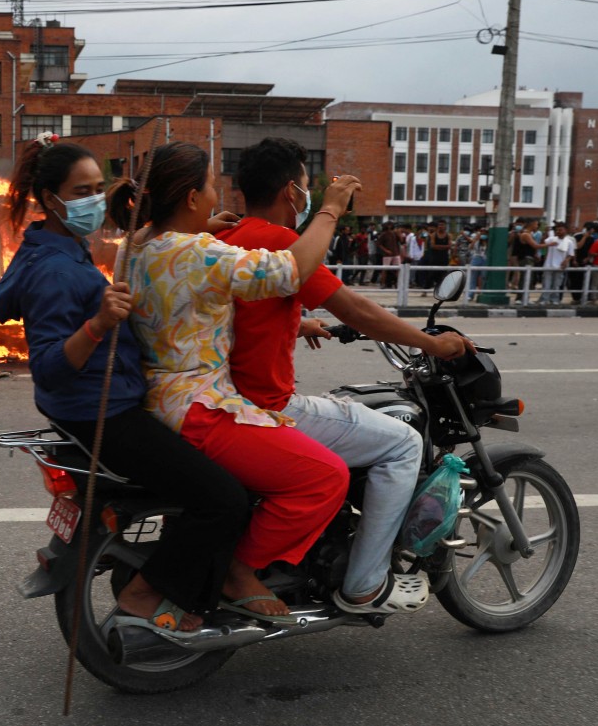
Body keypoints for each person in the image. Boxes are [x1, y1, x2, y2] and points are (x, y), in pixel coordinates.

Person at [0, 134, 250, 633]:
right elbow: (47, 364)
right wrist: (98, 324)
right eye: (80, 191)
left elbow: (5, 301)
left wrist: (196, 227)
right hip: (107, 414)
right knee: (225, 499)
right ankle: (147, 594)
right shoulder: (57, 270)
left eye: (96, 188)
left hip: (79, 410)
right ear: (50, 198)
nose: (93, 200)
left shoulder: (43, 245)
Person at [219, 137, 474, 615]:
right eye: (307, 187)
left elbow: (239, 316)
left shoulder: (224, 239)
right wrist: (435, 343)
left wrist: (299, 323)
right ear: (293, 192)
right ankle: (364, 583)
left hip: (224, 400)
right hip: (266, 406)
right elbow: (355, 307)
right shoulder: (283, 243)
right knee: (402, 443)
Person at [110, 141, 351, 623]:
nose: (219, 202)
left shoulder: (135, 248)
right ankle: (238, 571)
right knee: (325, 477)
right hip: (200, 405)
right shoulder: (198, 252)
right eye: (211, 191)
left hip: (156, 399)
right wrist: (329, 209)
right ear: (191, 199)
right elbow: (290, 271)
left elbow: (191, 304)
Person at [538, 222, 576, 305]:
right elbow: (542, 243)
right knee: (546, 284)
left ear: (566, 230)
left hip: (560, 266)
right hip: (548, 265)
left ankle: (555, 299)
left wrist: (566, 260)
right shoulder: (552, 239)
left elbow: (571, 254)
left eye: (560, 230)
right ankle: (544, 299)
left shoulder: (569, 242)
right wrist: (546, 234)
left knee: (557, 284)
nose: (558, 231)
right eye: (557, 230)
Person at [377, 222, 401, 288]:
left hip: (396, 253)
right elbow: (379, 244)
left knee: (398, 269)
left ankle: (397, 283)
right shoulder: (384, 234)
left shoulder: (395, 233)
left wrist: (399, 234)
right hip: (387, 255)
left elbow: (402, 241)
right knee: (385, 269)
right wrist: (386, 250)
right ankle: (382, 283)